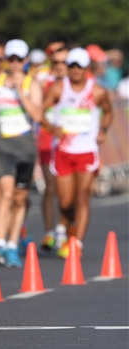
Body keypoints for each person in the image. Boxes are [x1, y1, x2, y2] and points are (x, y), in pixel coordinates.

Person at [43, 48, 112, 257]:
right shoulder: (58, 88)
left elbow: (108, 111)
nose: (74, 71)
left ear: (87, 69)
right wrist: (51, 127)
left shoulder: (97, 91)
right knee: (65, 201)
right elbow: (42, 111)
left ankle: (77, 244)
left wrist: (103, 129)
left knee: (82, 197)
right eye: (71, 66)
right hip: (63, 151)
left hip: (86, 151)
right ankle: (71, 225)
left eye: (79, 67)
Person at [0, 40, 43, 267]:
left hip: (26, 149)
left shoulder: (33, 84)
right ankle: (0, 242)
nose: (14, 64)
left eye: (18, 59)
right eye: (10, 59)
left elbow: (37, 116)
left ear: (25, 61)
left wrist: (21, 91)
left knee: (20, 200)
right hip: (4, 146)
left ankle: (13, 243)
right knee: (6, 193)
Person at [38, 45, 68, 252]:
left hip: (72, 143)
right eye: (55, 62)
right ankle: (50, 232)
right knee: (50, 187)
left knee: (67, 192)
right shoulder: (43, 82)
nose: (59, 66)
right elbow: (38, 111)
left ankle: (63, 230)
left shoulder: (81, 83)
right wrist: (50, 127)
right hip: (48, 140)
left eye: (63, 62)